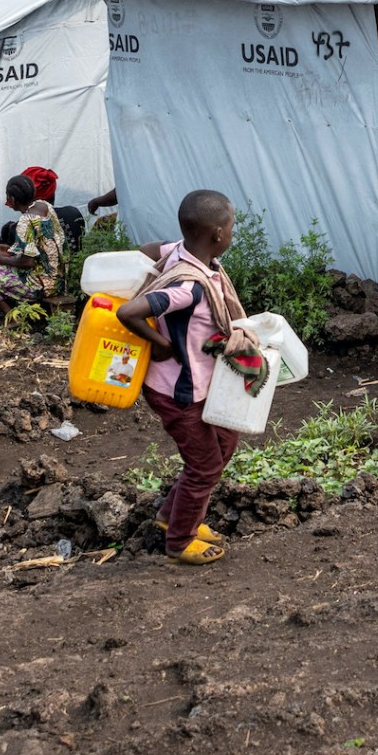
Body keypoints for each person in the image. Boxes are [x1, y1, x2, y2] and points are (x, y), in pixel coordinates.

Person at [115, 190, 256, 565]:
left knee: (224, 444)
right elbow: (128, 312)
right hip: (177, 391)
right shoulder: (189, 288)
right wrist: (162, 344)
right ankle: (179, 541)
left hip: (204, 382)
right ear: (217, 234)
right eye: (231, 227)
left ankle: (172, 516)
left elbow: (147, 250)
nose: (232, 233)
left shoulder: (178, 251)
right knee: (205, 466)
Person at [0, 173, 65, 321]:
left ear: (12, 199)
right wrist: (6, 250)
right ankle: (10, 316)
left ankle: (1, 316)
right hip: (58, 277)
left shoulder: (25, 222)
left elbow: (28, 262)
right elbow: (38, 248)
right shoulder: (44, 206)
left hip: (42, 285)